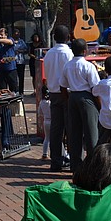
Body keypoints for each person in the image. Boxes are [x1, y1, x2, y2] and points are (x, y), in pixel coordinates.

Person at [59, 38, 100, 171]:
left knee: (74, 133)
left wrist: (68, 100)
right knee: (91, 132)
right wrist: (99, 105)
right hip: (87, 97)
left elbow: (62, 86)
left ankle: (75, 165)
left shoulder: (67, 65)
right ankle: (92, 165)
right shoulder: (88, 66)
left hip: (73, 96)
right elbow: (95, 88)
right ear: (85, 50)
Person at [43, 25, 73, 171]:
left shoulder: (48, 54)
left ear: (54, 38)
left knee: (56, 129)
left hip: (53, 92)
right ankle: (72, 160)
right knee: (70, 128)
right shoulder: (69, 54)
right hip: (66, 93)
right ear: (68, 38)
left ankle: (56, 161)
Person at [0, 27, 19, 92]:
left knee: (13, 87)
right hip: (1, 69)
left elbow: (10, 42)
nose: (0, 36)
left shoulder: (10, 40)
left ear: (6, 35)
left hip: (11, 68)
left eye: (2, 35)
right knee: (2, 89)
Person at [12, 29, 29, 95]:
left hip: (21, 62)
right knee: (14, 78)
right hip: (13, 62)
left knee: (21, 77)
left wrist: (20, 51)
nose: (17, 34)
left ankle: (21, 91)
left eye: (18, 33)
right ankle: (15, 91)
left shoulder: (21, 41)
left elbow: (26, 50)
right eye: (15, 33)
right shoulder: (10, 41)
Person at [38, 85, 52, 160]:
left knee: (47, 138)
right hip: (53, 121)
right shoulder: (51, 102)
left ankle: (44, 154)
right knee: (56, 138)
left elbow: (39, 113)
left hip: (46, 121)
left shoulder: (42, 102)